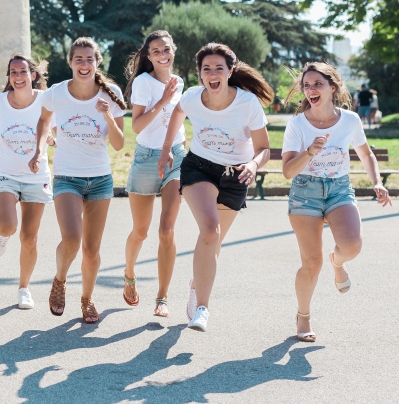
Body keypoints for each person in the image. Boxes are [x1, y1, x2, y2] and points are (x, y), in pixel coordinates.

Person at [158, 43, 272, 333]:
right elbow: (177, 113)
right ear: (199, 73)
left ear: (230, 71)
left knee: (213, 243)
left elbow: (264, 149)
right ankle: (203, 309)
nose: (212, 73)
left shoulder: (247, 103)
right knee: (211, 230)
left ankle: (197, 283)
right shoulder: (193, 97)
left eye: (219, 68)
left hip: (237, 175)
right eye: (206, 68)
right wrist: (166, 149)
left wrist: (254, 165)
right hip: (199, 167)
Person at [281, 63, 392, 342]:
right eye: (306, 85)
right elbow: (287, 172)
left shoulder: (350, 120)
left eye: (317, 84)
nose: (310, 90)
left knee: (352, 246)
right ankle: (303, 317)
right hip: (304, 191)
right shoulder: (297, 125)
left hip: (339, 188)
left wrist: (377, 182)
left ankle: (337, 261)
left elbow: (366, 155)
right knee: (311, 262)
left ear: (333, 87)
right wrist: (309, 151)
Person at [30, 37, 126, 324]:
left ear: (97, 63)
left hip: (99, 179)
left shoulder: (111, 94)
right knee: (72, 240)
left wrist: (108, 116)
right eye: (79, 60)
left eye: (90, 60)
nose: (85, 65)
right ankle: (60, 280)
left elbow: (120, 145)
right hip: (67, 176)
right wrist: (38, 149)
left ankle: (87, 299)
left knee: (92, 249)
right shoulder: (57, 93)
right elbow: (43, 120)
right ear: (70, 62)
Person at [0, 54, 54, 310]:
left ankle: (24, 288)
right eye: (13, 72)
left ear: (33, 76)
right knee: (7, 226)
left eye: (23, 72)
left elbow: (55, 131)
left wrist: (52, 141)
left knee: (29, 238)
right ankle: (3, 234)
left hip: (37, 175)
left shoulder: (45, 101)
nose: (18, 77)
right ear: (9, 77)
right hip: (5, 172)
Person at [121, 30, 185, 317]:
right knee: (141, 230)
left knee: (166, 230)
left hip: (176, 156)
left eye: (166, 49)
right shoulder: (143, 84)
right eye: (156, 50)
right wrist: (163, 100)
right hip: (147, 157)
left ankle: (162, 297)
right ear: (148, 56)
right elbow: (136, 127)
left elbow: (180, 118)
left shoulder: (180, 82)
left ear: (173, 51)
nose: (163, 54)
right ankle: (129, 274)